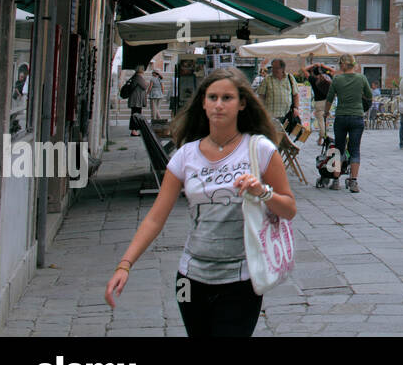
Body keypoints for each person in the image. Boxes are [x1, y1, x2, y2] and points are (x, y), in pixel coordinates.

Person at [103, 67, 296, 337]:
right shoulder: (186, 156)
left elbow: (289, 208)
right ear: (203, 103)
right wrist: (125, 264)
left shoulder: (260, 149)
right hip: (190, 280)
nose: (219, 104)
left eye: (227, 98)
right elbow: (156, 217)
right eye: (212, 97)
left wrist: (262, 191)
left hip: (241, 279)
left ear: (242, 103)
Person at [327, 54, 371, 193]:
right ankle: (353, 181)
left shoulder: (337, 79)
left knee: (338, 149)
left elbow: (329, 98)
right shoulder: (361, 78)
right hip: (357, 117)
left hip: (341, 116)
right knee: (355, 149)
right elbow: (369, 95)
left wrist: (325, 112)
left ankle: (335, 180)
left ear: (342, 65)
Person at [256, 59, 298, 133]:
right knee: (273, 136)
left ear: (283, 68)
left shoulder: (290, 78)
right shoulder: (267, 79)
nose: (274, 70)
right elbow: (261, 96)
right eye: (273, 67)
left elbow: (295, 94)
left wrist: (296, 108)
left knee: (284, 138)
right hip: (271, 115)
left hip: (286, 115)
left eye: (276, 68)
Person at [307, 64, 334, 145]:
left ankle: (324, 137)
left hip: (319, 102)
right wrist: (324, 66)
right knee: (325, 121)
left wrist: (313, 65)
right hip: (328, 102)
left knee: (321, 122)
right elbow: (333, 71)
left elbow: (303, 70)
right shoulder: (327, 77)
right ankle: (320, 139)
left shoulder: (313, 79)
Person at [126, 67, 149, 135]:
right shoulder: (138, 77)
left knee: (135, 114)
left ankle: (134, 130)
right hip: (136, 100)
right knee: (136, 114)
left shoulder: (136, 77)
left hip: (136, 99)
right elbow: (144, 86)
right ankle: (134, 130)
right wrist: (146, 83)